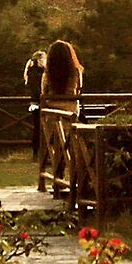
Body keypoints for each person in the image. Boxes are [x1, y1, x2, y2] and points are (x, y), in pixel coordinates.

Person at [38, 38, 83, 195]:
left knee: (56, 148)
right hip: (71, 114)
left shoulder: (48, 74)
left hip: (52, 115)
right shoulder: (75, 72)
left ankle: (58, 179)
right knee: (69, 147)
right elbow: (78, 90)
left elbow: (43, 93)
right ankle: (70, 180)